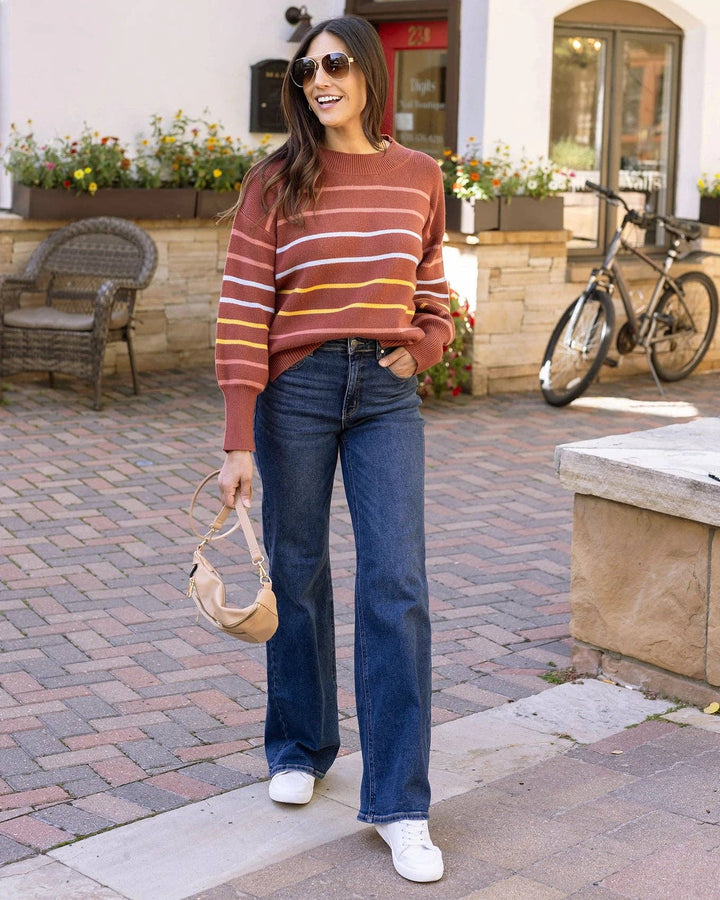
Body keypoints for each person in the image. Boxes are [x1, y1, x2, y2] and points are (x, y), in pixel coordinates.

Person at [215, 14, 454, 884]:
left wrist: (424, 345)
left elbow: (433, 286)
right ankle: (301, 745)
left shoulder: (418, 174)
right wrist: (237, 435)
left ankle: (401, 803)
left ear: (369, 73)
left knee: (397, 582)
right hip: (299, 392)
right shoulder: (275, 181)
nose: (319, 79)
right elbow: (244, 306)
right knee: (298, 566)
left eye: (336, 64)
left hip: (386, 394)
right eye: (307, 68)